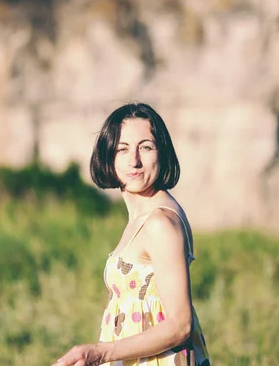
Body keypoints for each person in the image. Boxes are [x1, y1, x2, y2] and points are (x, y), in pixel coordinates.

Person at [52, 103, 210, 366]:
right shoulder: (141, 217)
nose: (134, 161)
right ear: (108, 156)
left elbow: (180, 325)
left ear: (162, 153)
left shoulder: (160, 222)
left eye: (146, 147)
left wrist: (102, 352)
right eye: (122, 149)